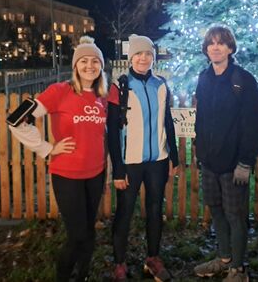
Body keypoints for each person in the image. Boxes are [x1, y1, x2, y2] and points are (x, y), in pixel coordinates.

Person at [9, 36, 108, 281]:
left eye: (95, 61)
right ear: (75, 66)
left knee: (89, 232)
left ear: (101, 67)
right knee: (77, 235)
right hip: (67, 176)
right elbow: (16, 119)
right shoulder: (59, 92)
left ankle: (83, 275)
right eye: (84, 61)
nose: (90, 66)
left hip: (96, 174)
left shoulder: (102, 95)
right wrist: (46, 148)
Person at [193, 25, 258, 282]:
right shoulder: (203, 77)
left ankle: (238, 269)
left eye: (221, 43)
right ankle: (223, 259)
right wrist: (199, 150)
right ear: (206, 49)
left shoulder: (243, 80)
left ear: (230, 48)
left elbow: (254, 124)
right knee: (217, 210)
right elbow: (200, 118)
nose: (215, 47)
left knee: (235, 216)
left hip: (235, 163)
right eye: (211, 43)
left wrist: (245, 161)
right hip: (210, 162)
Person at [107, 34, 179, 282]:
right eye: (138, 54)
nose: (143, 58)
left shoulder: (161, 85)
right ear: (131, 57)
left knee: (154, 209)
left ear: (153, 57)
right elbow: (113, 132)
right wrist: (118, 169)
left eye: (148, 54)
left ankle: (153, 258)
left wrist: (174, 156)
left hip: (158, 159)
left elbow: (167, 121)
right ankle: (119, 263)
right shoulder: (121, 87)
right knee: (125, 212)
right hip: (130, 162)